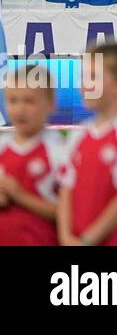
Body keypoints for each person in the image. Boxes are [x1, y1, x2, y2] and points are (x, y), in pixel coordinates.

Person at [57, 42, 117, 246]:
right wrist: (65, 236)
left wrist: (89, 239)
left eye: (93, 78)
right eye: (83, 77)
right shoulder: (77, 137)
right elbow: (66, 191)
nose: (83, 85)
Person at [0, 64, 64, 245]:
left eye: (29, 101)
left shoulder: (58, 150)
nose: (20, 110)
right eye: (13, 101)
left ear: (50, 103)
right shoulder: (2, 148)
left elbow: (70, 213)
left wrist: (20, 196)